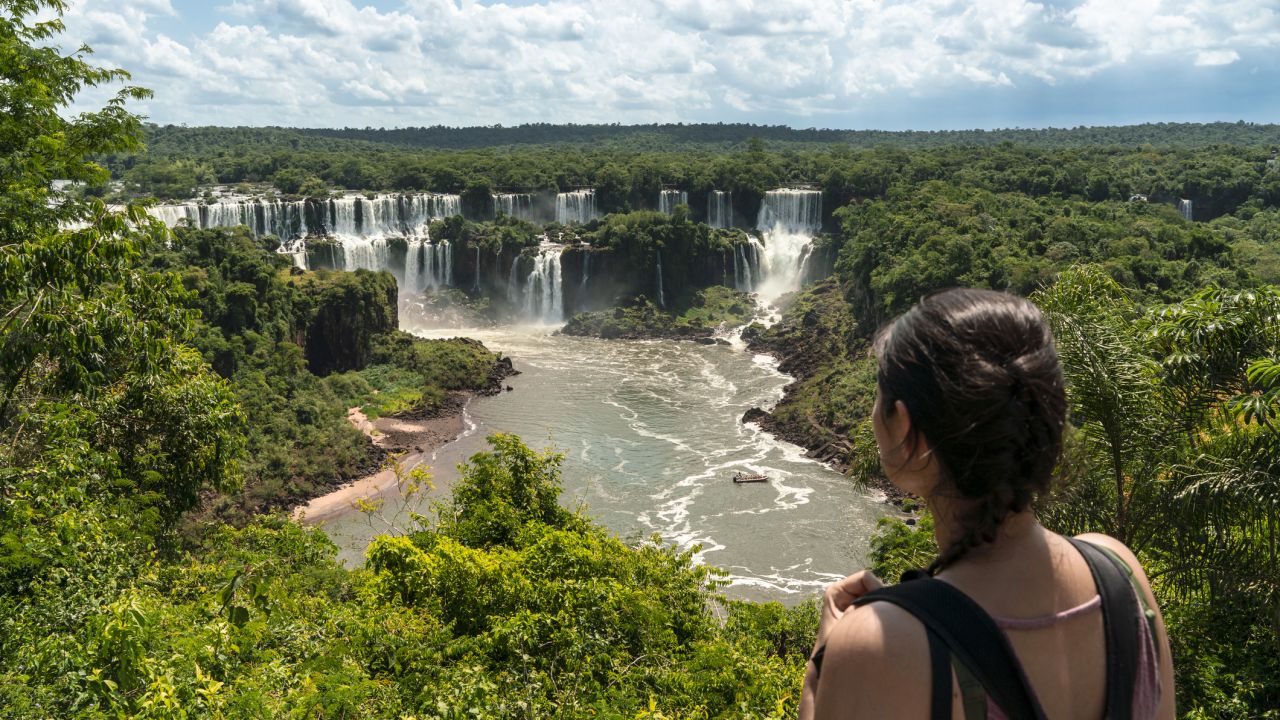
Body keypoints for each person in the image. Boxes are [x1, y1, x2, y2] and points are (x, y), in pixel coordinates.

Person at [799, 288, 1174, 720]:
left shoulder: (874, 646)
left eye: (878, 396)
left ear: (904, 425)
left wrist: (823, 663)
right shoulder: (1122, 577)